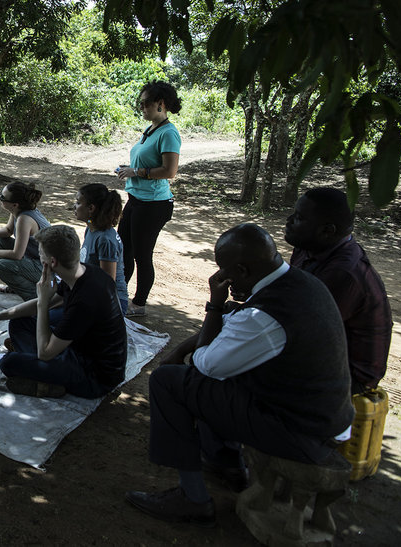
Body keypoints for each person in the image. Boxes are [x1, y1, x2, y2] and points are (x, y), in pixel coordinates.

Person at [126, 224, 354, 526]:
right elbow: (234, 330)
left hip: (300, 433)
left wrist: (215, 305)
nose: (223, 279)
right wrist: (184, 347)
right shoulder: (301, 283)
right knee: (224, 372)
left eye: (226, 272)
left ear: (243, 270)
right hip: (324, 419)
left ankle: (192, 498)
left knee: (168, 382)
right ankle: (226, 461)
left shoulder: (263, 317)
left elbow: (205, 364)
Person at [0, 225, 128, 398]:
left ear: (52, 262)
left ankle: (46, 379)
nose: (39, 257)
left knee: (9, 363)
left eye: (40, 254)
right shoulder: (82, 273)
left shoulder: (85, 300)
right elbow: (48, 303)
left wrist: (42, 302)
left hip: (95, 378)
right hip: (77, 349)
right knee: (19, 321)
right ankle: (33, 362)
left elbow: (45, 353)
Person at [285, 187, 393, 394]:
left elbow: (296, 326)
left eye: (299, 218)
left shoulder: (344, 274)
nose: (289, 220)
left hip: (350, 379)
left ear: (327, 231)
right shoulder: (308, 248)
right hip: (322, 354)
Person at [115, 81, 182, 317]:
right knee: (123, 250)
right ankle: (118, 295)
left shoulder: (169, 133)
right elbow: (146, 162)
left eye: (146, 104)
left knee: (142, 255)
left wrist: (137, 172)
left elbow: (169, 171)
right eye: (140, 104)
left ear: (161, 104)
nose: (142, 108)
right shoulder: (152, 129)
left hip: (154, 204)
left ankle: (138, 304)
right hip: (136, 199)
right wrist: (131, 168)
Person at [0, 181, 50, 301]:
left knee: (0, 267)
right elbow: (8, 230)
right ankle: (17, 285)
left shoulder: (24, 219)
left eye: (3, 198)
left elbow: (17, 255)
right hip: (36, 257)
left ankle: (35, 296)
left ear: (15, 204)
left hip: (47, 268)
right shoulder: (18, 210)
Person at [75, 183, 127, 314]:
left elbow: (107, 283)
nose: (74, 206)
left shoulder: (105, 240)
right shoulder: (91, 227)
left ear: (91, 208)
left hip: (110, 304)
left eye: (78, 202)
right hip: (91, 292)